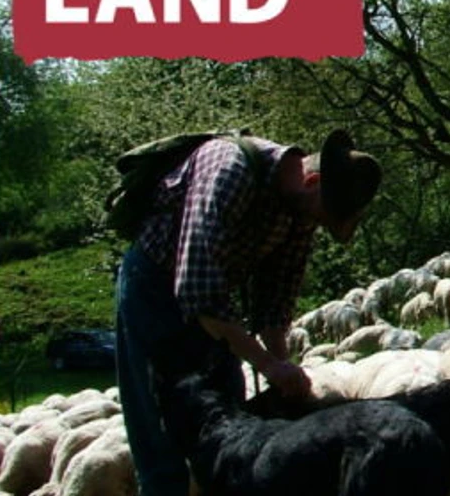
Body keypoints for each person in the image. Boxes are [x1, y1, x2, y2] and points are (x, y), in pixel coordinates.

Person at [114, 129, 381, 496]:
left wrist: (283, 370)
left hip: (214, 300)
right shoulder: (229, 169)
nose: (317, 225)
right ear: (312, 181)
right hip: (154, 289)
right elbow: (196, 286)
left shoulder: (299, 210)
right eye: (324, 215)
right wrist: (268, 366)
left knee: (228, 426)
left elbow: (276, 296)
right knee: (160, 426)